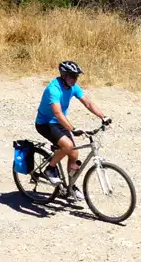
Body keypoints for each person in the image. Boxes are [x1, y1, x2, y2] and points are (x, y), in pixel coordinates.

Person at [34, 61, 108, 201]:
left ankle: (71, 186)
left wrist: (103, 117)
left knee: (74, 153)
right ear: (64, 75)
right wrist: (72, 129)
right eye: (72, 76)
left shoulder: (72, 86)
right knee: (68, 146)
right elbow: (57, 113)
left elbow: (88, 103)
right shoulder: (53, 89)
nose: (75, 79)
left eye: (77, 77)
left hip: (60, 123)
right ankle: (50, 168)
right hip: (45, 123)